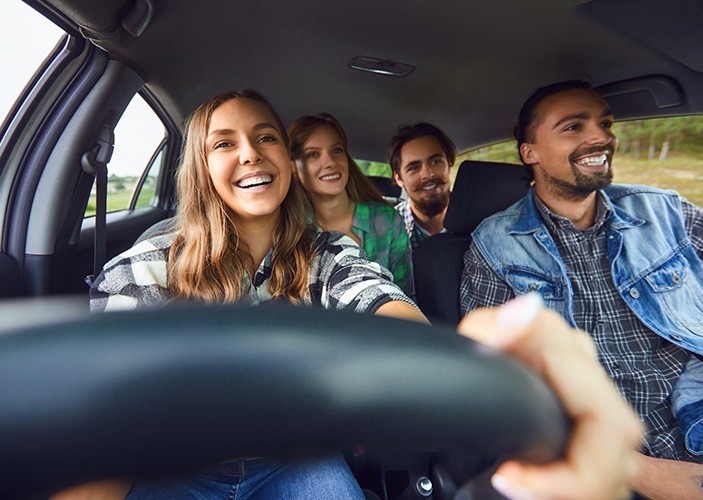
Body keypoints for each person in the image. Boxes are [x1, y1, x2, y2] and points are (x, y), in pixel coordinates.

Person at [64, 87, 642, 500]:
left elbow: (378, 299)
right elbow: (107, 424)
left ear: (282, 163)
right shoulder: (144, 269)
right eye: (224, 144)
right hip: (173, 466)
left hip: (292, 459)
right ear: (198, 167)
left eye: (265, 137)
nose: (249, 153)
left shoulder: (327, 252)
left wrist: (461, 367)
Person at [460, 79, 703, 499]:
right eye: (573, 126)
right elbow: (495, 384)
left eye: (604, 123)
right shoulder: (494, 244)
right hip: (599, 461)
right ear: (529, 152)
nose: (602, 137)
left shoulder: (664, 211)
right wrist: (634, 470)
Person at [288, 113, 414, 297]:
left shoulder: (386, 219)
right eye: (313, 154)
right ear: (293, 168)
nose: (330, 162)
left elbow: (406, 293)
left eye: (337, 150)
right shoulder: (292, 231)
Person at [386, 123, 456, 250]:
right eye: (414, 168)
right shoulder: (387, 231)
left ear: (449, 163)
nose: (428, 174)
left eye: (435, 162)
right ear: (399, 178)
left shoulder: (479, 223)